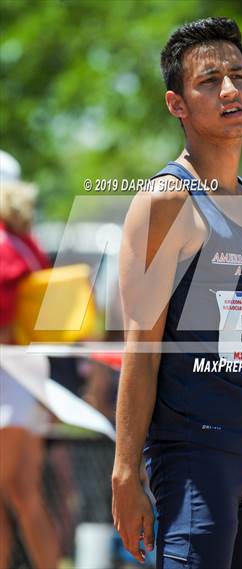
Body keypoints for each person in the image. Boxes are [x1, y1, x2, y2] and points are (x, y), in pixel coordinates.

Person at [112, 17, 242, 569]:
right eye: (209, 80)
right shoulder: (165, 202)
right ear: (177, 104)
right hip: (195, 456)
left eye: (238, 76)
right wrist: (126, 472)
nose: (229, 90)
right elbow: (140, 348)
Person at [0, 174, 60, 569]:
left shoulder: (6, 242)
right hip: (30, 371)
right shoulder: (26, 241)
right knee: (24, 493)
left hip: (8, 371)